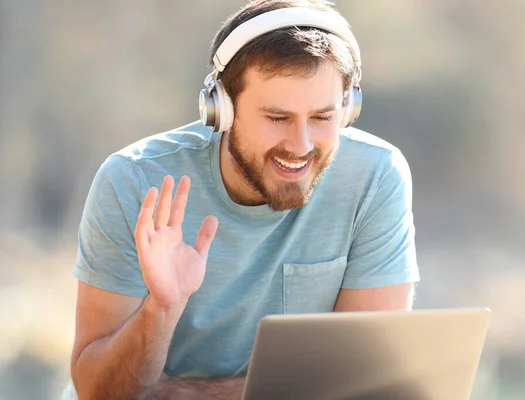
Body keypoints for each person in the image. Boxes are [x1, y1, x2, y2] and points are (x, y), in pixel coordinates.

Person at [64, 0, 420, 399]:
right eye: (277, 118)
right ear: (221, 110)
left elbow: (363, 381)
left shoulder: (374, 176)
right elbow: (96, 390)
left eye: (322, 118)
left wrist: (187, 395)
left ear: (348, 109)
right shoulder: (132, 181)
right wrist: (161, 309)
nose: (301, 145)